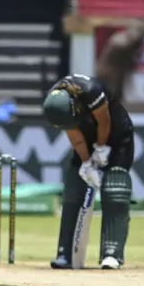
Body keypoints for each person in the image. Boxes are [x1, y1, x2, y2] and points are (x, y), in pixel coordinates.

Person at [42, 73, 134, 270]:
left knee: (114, 189)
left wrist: (101, 149)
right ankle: (65, 254)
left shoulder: (91, 91)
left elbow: (105, 122)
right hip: (87, 138)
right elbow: (74, 134)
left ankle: (112, 254)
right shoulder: (55, 101)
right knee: (75, 187)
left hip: (117, 137)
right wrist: (86, 163)